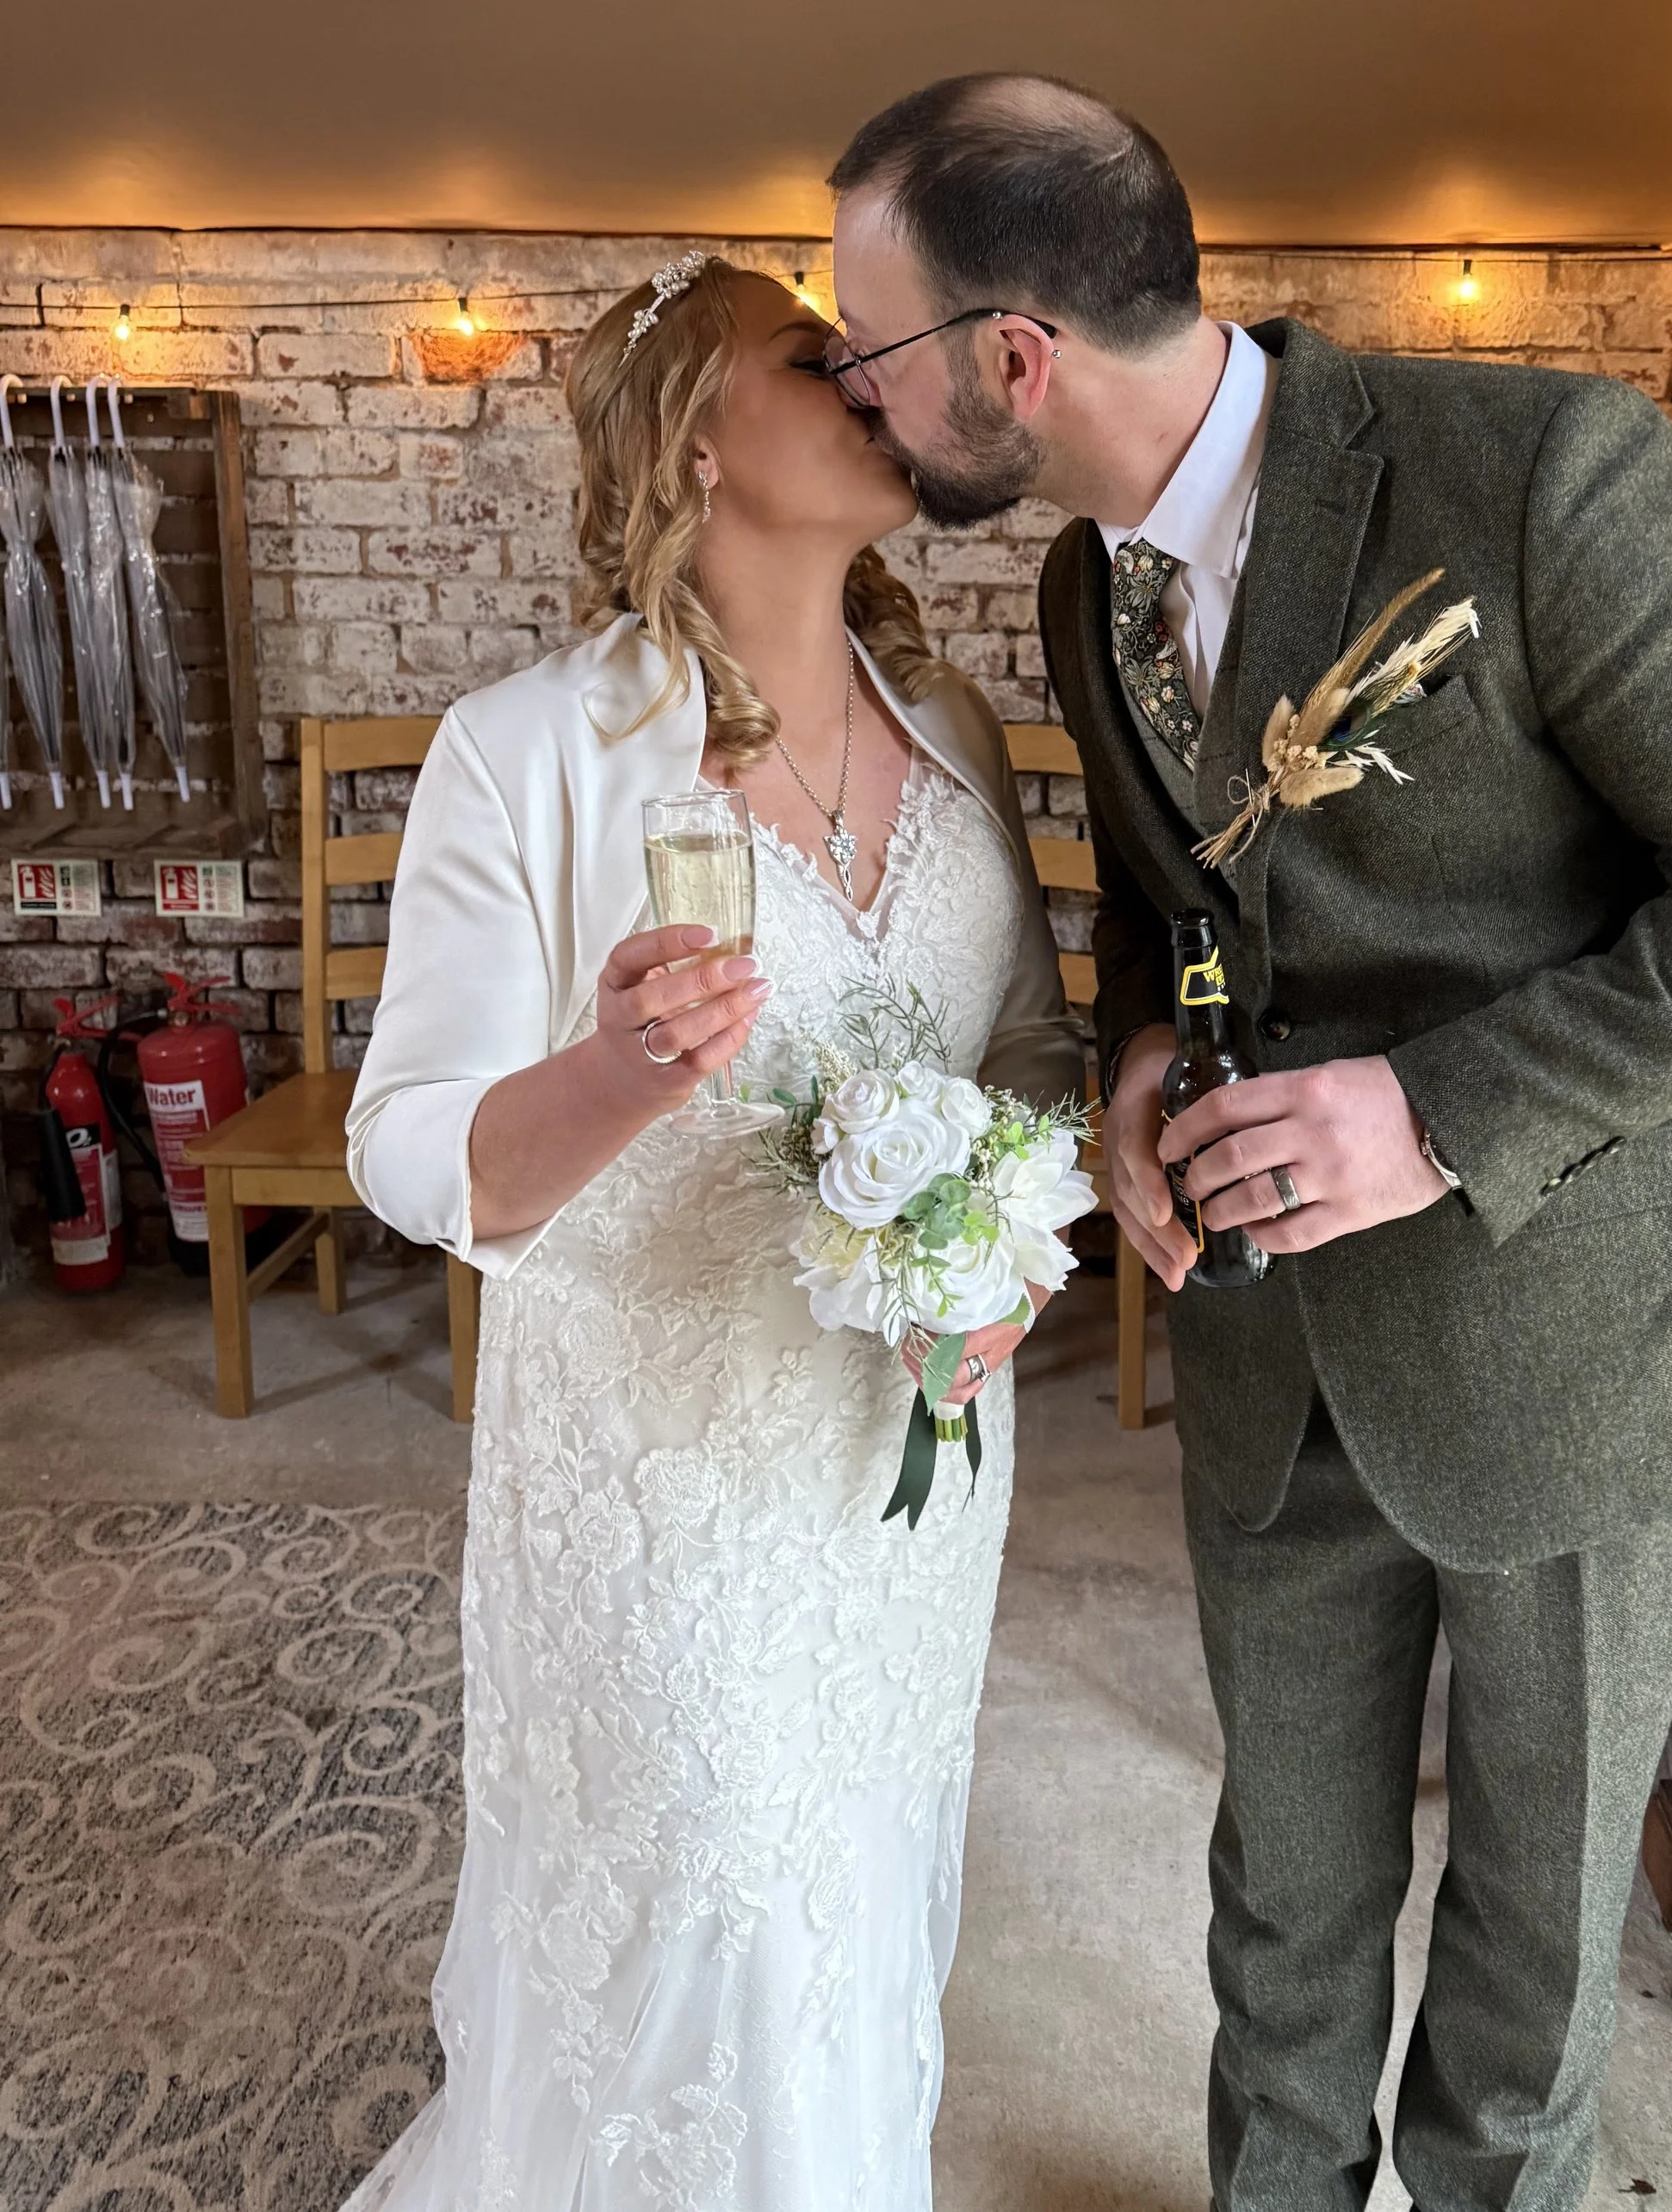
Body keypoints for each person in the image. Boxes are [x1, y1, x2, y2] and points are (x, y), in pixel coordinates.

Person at [824, 76, 1672, 2212]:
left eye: (875, 356)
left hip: (1587, 1341)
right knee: (1281, 1898)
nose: (868, 408)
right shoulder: (1084, 586)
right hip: (1272, 1359)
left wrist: (1431, 1114)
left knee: (1525, 1953)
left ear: (1010, 358)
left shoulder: (1535, 471)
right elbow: (1180, 900)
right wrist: (1146, 1046)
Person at [340, 257, 1083, 2212]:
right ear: (691, 431)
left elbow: (1022, 1051)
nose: (871, 373)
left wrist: (1006, 1264)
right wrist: (615, 1069)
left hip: (910, 1464)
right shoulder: (531, 753)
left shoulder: (954, 730)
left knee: (857, 1878)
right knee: (717, 1898)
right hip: (663, 1473)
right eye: (808, 351)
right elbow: (413, 1148)